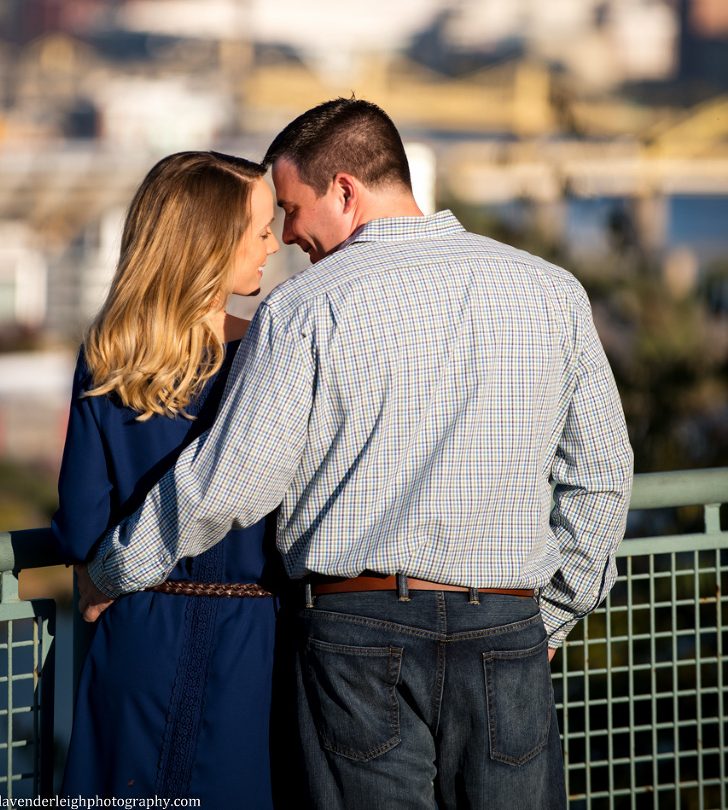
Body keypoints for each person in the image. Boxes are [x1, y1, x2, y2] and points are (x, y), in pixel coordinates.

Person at [80, 99, 633, 810]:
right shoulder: (553, 292)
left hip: (354, 637)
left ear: (345, 189)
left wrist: (113, 568)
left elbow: (228, 484)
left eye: (290, 206)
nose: (283, 234)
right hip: (507, 627)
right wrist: (550, 615)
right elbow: (602, 480)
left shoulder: (305, 308)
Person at [51, 150, 282, 804]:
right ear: (212, 243)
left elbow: (80, 528)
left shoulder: (107, 355)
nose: (275, 242)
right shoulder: (271, 350)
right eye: (260, 229)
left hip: (135, 630)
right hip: (253, 645)